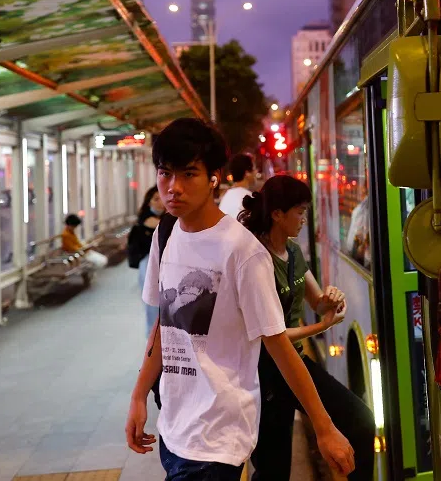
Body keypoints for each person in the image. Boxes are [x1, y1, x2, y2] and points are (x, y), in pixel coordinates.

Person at [125, 118, 354, 480]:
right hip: (174, 424)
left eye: (188, 174)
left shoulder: (242, 251)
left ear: (214, 177)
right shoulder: (166, 233)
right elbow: (165, 325)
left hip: (218, 434)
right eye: (165, 174)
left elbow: (278, 345)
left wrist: (324, 427)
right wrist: (139, 395)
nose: (173, 188)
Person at [240, 175, 376, 480]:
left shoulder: (293, 252)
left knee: (360, 422)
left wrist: (333, 298)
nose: (305, 219)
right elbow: (268, 335)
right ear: (277, 214)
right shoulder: (255, 260)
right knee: (273, 468)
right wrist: (320, 327)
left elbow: (318, 302)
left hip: (292, 365)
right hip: (265, 372)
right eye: (299, 212)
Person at [128, 187, 166, 336]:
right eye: (155, 199)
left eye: (161, 198)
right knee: (152, 303)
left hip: (164, 265)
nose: (159, 203)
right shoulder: (146, 218)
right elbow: (162, 227)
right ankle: (152, 337)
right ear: (148, 202)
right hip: (149, 263)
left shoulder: (168, 218)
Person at [218, 153, 257, 218]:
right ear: (247, 173)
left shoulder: (226, 196)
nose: (255, 172)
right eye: (253, 169)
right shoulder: (249, 200)